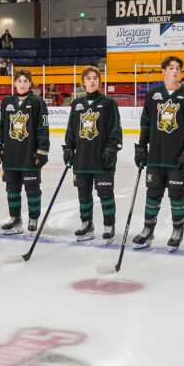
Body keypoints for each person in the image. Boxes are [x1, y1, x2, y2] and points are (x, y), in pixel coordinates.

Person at [134, 55, 184, 251]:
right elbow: (146, 122)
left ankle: (177, 230)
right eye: (171, 67)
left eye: (178, 68)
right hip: (156, 156)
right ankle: (148, 229)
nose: (175, 71)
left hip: (177, 157)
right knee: (153, 193)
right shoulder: (153, 95)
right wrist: (141, 147)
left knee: (177, 194)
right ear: (163, 71)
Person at [64, 66, 122, 241]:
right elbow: (71, 129)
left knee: (105, 193)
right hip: (82, 158)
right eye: (88, 78)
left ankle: (109, 225)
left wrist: (112, 149)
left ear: (99, 81)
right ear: (83, 82)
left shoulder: (109, 103)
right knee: (83, 193)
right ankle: (86, 223)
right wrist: (68, 148)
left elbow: (116, 129)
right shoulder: (76, 104)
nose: (92, 81)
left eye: (95, 78)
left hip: (102, 158)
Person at [0, 69, 50, 235]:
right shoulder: (7, 102)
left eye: (26, 81)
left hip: (29, 154)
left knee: (32, 187)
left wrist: (42, 150)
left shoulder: (38, 102)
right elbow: (2, 126)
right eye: (19, 81)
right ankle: (15, 218)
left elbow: (43, 128)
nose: (22, 84)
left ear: (30, 84)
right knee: (12, 188)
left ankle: (33, 218)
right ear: (14, 83)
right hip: (11, 154)